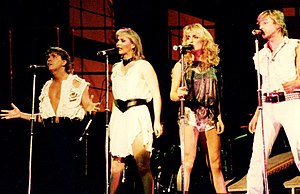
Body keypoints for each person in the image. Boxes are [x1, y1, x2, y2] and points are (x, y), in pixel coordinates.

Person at [0, 46, 100, 193]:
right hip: (49, 132)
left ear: (64, 62)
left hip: (69, 132)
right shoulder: (47, 85)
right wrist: (21, 115)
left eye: (53, 56)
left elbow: (87, 105)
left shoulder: (76, 82)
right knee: (50, 176)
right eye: (48, 57)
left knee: (68, 176)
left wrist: (91, 107)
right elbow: (43, 116)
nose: (49, 59)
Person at [170, 23, 228, 194]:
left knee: (215, 162)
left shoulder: (214, 67)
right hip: (190, 114)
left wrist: (219, 117)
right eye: (188, 37)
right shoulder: (181, 65)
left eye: (195, 37)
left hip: (209, 114)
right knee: (188, 161)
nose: (191, 40)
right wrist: (178, 93)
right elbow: (172, 94)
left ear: (204, 41)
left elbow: (218, 95)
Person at [247, 9, 300, 194]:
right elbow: (264, 86)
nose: (260, 26)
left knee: (299, 148)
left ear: (278, 25)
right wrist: (257, 113)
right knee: (258, 155)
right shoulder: (261, 54)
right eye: (259, 23)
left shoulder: (295, 46)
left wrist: (296, 83)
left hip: (291, 102)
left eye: (265, 22)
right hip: (268, 106)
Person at [108, 27, 163, 194]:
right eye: (117, 40)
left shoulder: (143, 66)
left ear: (133, 45)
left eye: (122, 40)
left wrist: (157, 120)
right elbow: (115, 96)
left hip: (137, 114)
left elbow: (156, 94)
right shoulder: (115, 68)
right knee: (116, 165)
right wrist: (112, 122)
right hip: (119, 115)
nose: (118, 44)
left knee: (142, 164)